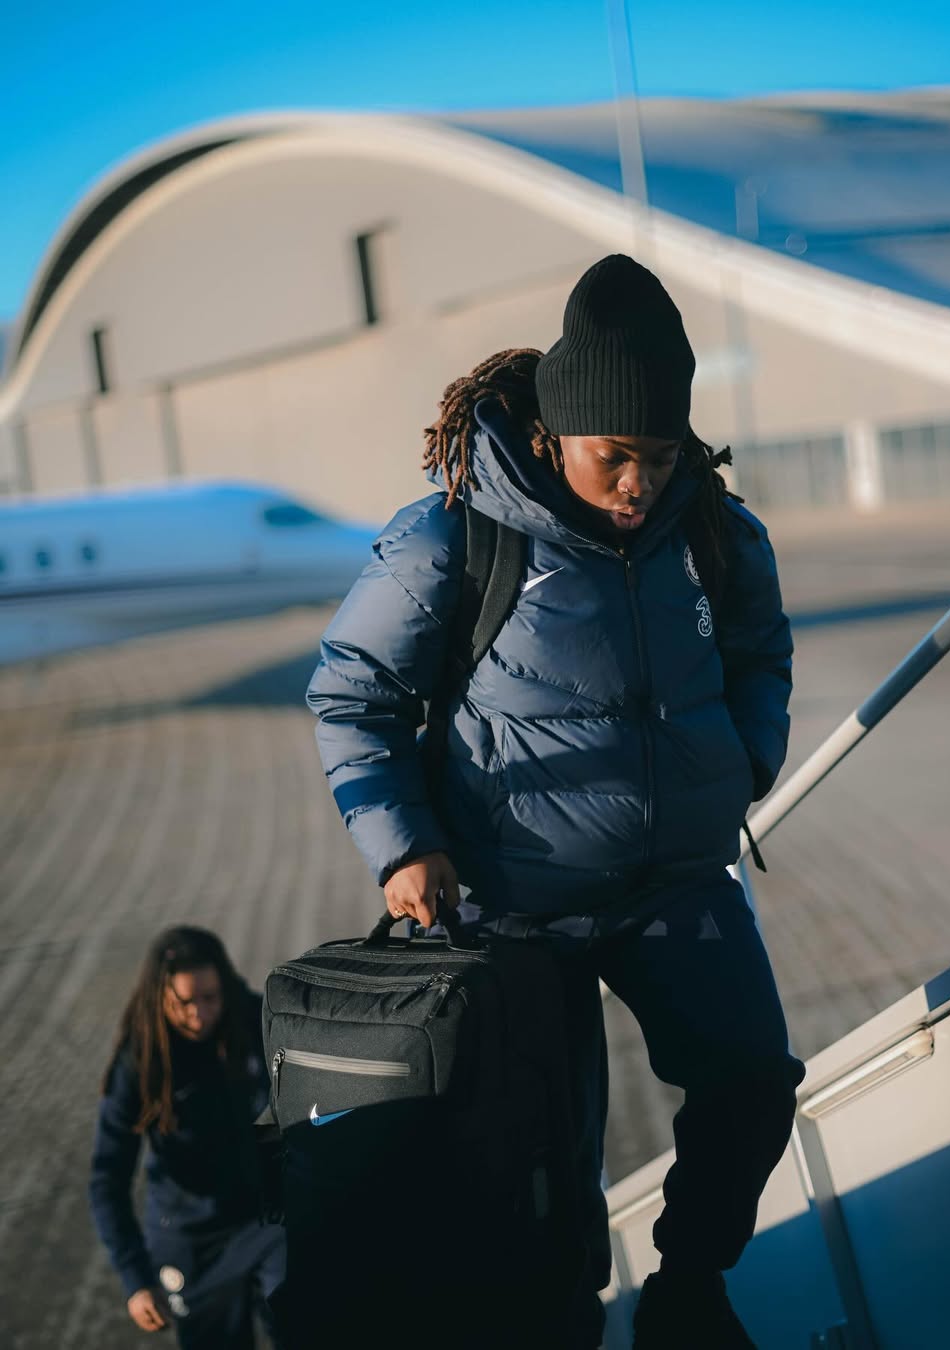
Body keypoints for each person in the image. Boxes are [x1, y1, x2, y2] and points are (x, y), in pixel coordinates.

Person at [306, 254, 805, 1348]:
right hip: (509, 903)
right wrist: (404, 845)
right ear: (553, 434)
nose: (637, 481)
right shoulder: (453, 536)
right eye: (613, 455)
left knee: (756, 1081)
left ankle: (689, 1289)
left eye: (659, 456)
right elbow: (352, 695)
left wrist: (742, 766)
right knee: (543, 1158)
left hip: (674, 883)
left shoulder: (714, 534)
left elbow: (762, 656)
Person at [89, 925, 285, 1348]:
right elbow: (107, 1180)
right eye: (184, 1002)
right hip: (193, 1241)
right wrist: (135, 1278)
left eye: (209, 998)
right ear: (159, 997)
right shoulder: (139, 1066)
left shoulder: (253, 1020)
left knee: (305, 1324)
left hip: (266, 1220)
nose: (199, 1014)